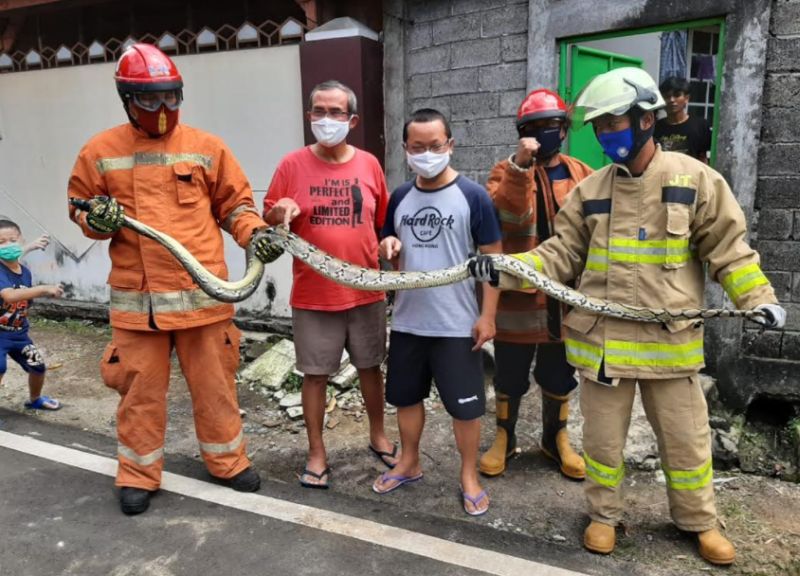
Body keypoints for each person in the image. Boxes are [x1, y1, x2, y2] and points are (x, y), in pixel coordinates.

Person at [469, 67, 786, 564]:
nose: (604, 135)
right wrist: (505, 268)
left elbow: (729, 250)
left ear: (645, 120)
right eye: (598, 127)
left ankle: (698, 521)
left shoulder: (695, 179)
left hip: (671, 344)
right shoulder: (591, 190)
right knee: (602, 444)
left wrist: (757, 299)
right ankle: (603, 516)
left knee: (687, 445)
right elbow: (558, 256)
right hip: (604, 347)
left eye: (614, 123)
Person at [68, 43, 281, 515]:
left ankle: (227, 462)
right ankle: (138, 473)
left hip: (203, 301)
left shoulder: (207, 147)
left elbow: (237, 206)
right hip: (138, 305)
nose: (163, 110)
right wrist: (97, 221)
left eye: (171, 98)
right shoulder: (100, 151)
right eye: (150, 101)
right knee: (139, 393)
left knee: (216, 388)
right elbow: (80, 207)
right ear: (126, 100)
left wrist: (255, 236)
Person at [263, 80, 396, 489]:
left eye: (336, 112)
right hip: (314, 294)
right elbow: (267, 218)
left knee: (370, 367)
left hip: (365, 289)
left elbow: (383, 222)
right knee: (315, 374)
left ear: (352, 119)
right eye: (319, 111)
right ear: (309, 116)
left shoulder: (370, 164)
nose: (327, 119)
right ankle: (317, 452)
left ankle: (377, 435)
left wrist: (389, 243)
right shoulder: (291, 165)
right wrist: (279, 210)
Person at [372, 108, 502, 516]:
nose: (426, 153)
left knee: (465, 407)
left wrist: (488, 317)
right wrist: (387, 246)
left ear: (450, 145)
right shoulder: (399, 197)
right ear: (406, 150)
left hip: (456, 324)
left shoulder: (473, 196)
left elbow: (494, 261)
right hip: (409, 321)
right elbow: (389, 242)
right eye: (417, 147)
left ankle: (468, 475)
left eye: (435, 146)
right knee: (406, 398)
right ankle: (409, 462)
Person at [480, 89, 593, 480]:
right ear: (522, 133)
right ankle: (504, 439)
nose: (545, 134)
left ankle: (555, 440)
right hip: (518, 302)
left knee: (559, 375)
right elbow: (509, 216)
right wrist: (520, 167)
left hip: (564, 301)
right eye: (535, 128)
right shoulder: (504, 171)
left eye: (553, 126)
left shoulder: (581, 173)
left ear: (563, 130)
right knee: (509, 376)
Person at [0, 219, 63, 411]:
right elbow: (9, 296)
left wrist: (52, 292)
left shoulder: (25, 272)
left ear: (21, 241)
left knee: (38, 366)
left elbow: (24, 300)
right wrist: (43, 289)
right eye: (1, 242)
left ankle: (35, 399)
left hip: (20, 335)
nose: (8, 245)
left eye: (12, 240)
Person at [654, 76, 711, 162]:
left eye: (677, 95)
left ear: (686, 98)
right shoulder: (655, 128)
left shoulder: (700, 126)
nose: (672, 100)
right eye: (667, 96)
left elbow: (703, 157)